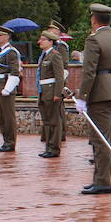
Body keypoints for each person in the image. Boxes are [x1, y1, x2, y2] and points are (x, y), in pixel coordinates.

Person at [75, 4, 111, 193]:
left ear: (94, 19)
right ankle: (99, 178)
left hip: (100, 93)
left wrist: (83, 97)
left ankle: (103, 181)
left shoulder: (94, 40)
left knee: (100, 139)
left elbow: (89, 71)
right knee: (108, 136)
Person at [0, 25, 22, 152]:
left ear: (7, 37)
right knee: (0, 117)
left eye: (0, 35)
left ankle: (10, 142)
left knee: (8, 116)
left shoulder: (11, 52)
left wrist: (8, 88)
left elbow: (15, 72)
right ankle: (5, 140)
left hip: (6, 87)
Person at [36, 29, 66, 158]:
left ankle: (54, 148)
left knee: (54, 121)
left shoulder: (55, 55)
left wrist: (57, 93)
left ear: (50, 41)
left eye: (42, 40)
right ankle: (48, 147)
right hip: (44, 91)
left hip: (51, 91)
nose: (40, 42)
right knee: (47, 121)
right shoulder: (44, 55)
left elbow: (59, 76)